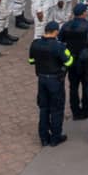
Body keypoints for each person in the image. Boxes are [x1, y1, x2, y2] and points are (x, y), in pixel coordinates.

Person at [27, 19, 74, 147]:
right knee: (57, 109)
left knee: (43, 108)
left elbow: (31, 61)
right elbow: (69, 60)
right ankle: (55, 137)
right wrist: (63, 68)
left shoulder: (35, 44)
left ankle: (43, 138)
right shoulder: (59, 46)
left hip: (41, 79)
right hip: (55, 81)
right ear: (55, 32)